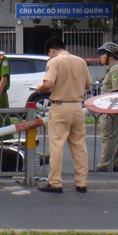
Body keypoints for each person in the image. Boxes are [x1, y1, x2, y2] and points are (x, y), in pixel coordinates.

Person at [35, 37, 92, 193]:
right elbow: (87, 84)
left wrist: (39, 89)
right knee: (79, 146)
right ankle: (81, 182)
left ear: (51, 51)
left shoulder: (54, 62)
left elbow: (49, 84)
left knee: (57, 146)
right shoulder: (81, 62)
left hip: (60, 107)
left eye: (49, 54)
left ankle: (55, 182)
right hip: (77, 107)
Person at [94, 42, 118, 173]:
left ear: (110, 56)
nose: (100, 57)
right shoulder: (115, 69)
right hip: (115, 109)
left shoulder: (115, 70)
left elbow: (117, 92)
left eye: (102, 54)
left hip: (112, 109)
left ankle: (105, 165)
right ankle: (117, 164)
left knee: (108, 136)